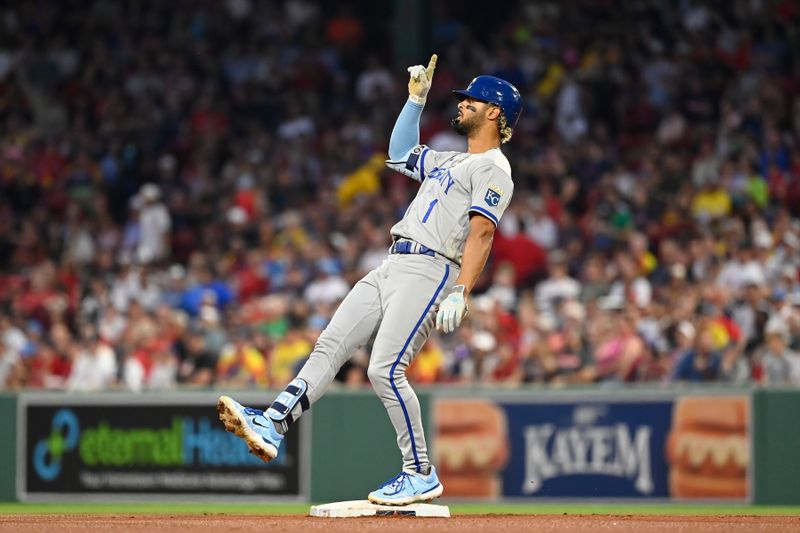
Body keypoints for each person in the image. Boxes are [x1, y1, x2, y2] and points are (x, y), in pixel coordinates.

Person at [217, 54, 522, 505]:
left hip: (431, 267)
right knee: (330, 345)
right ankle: (274, 424)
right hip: (393, 263)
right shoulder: (450, 160)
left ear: (494, 112)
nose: (461, 104)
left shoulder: (494, 168)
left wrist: (462, 290)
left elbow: (482, 231)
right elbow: (398, 155)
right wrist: (414, 102)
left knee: (385, 368)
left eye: (471, 101)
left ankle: (419, 471)